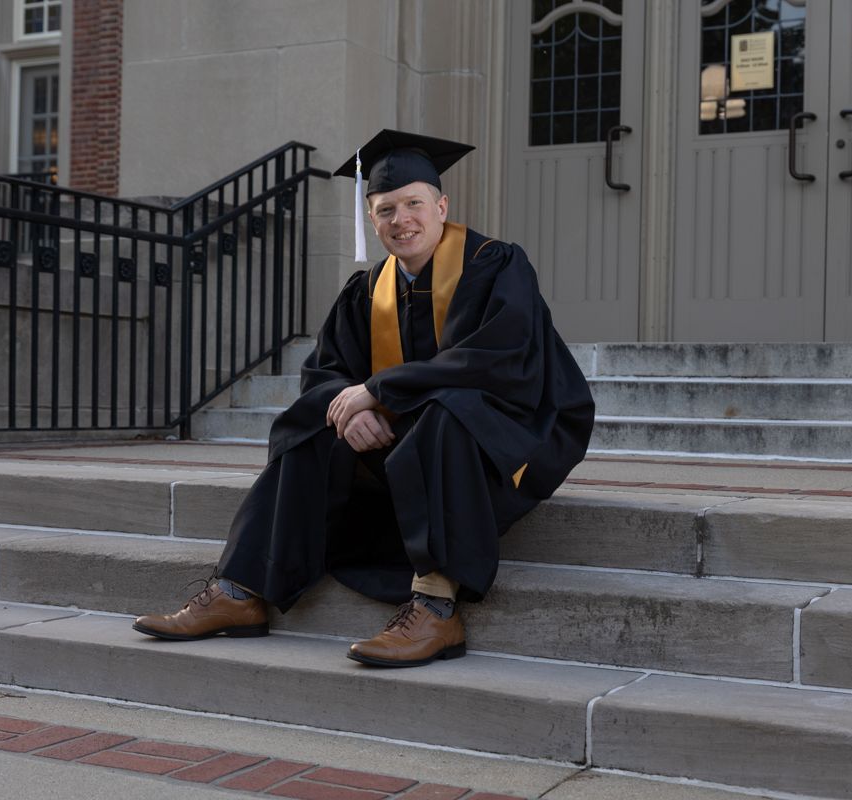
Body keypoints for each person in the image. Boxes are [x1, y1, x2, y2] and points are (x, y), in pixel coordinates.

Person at [133, 129, 594, 667]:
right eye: (385, 210)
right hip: (413, 440)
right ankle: (241, 590)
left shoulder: (496, 266)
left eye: (414, 204)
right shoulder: (366, 290)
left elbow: (496, 361)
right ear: (371, 220)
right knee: (313, 423)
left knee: (448, 413)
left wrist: (377, 391)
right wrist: (348, 409)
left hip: (513, 435)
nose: (402, 220)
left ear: (441, 206)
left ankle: (436, 607)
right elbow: (326, 372)